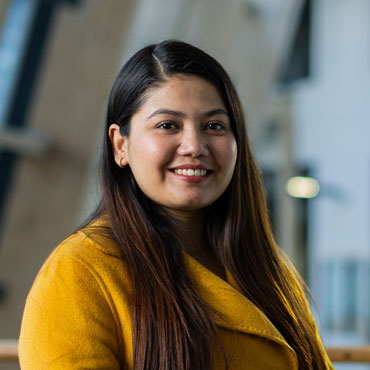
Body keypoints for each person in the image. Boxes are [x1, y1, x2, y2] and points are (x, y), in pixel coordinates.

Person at [19, 40, 334, 370]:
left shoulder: (267, 266)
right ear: (120, 145)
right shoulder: (78, 272)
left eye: (214, 126)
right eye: (168, 125)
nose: (195, 146)